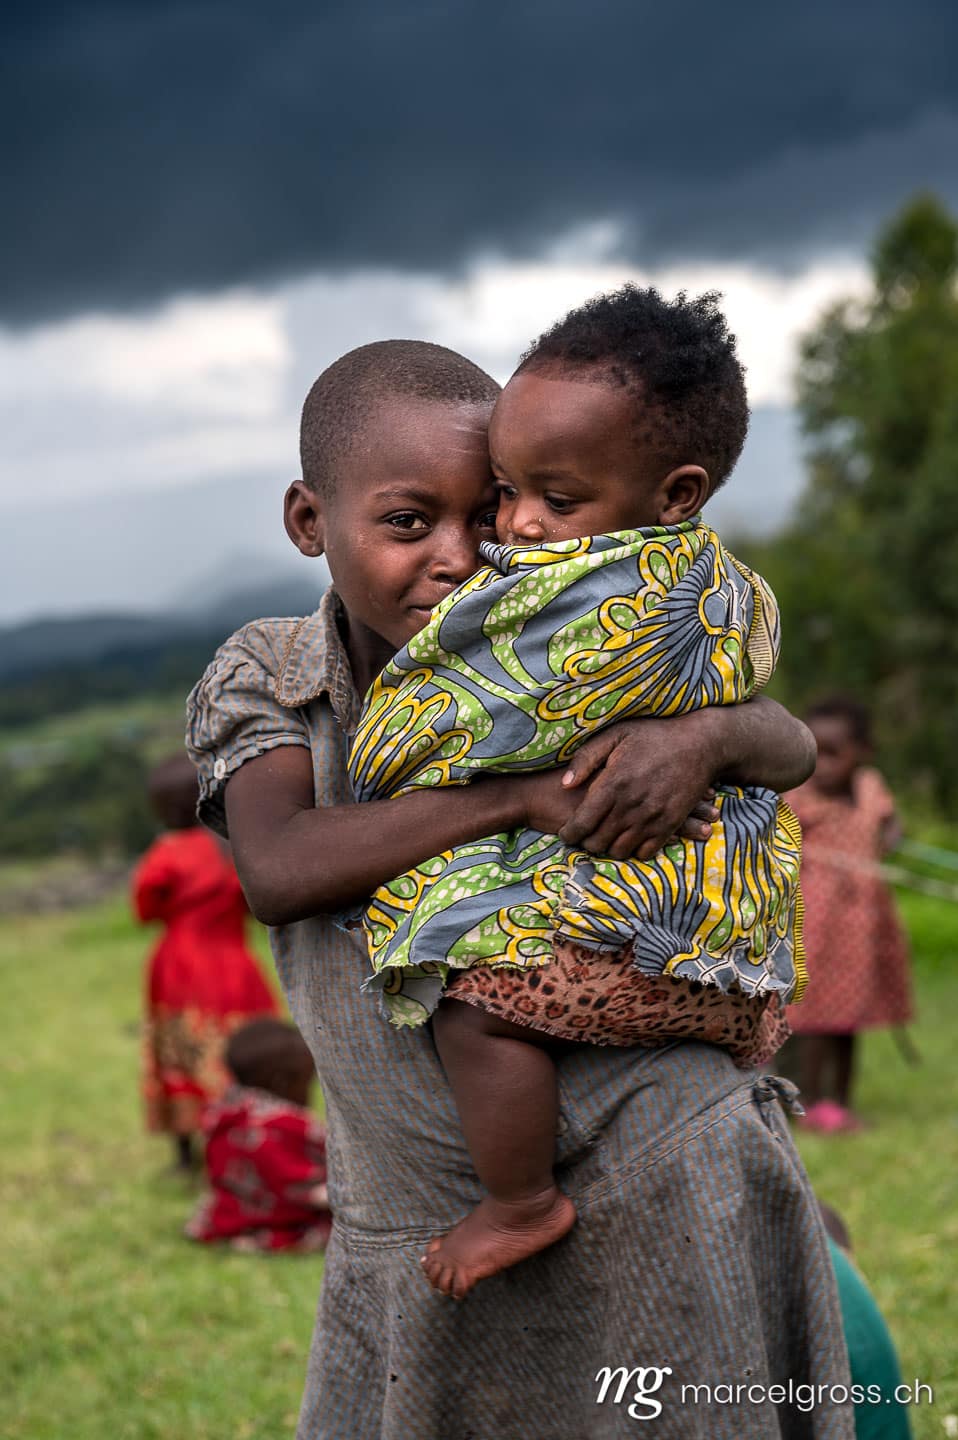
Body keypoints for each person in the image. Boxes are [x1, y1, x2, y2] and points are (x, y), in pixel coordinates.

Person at [186, 337, 853, 1438]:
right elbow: (279, 870)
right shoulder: (274, 676)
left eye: (486, 512)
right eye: (408, 523)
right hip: (419, 1217)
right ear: (311, 523)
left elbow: (787, 741)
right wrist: (516, 798)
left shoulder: (565, 623)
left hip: (661, 1163)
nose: (460, 556)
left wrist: (706, 737)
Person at [349, 287, 803, 1298]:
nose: (512, 527)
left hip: (619, 944)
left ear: (675, 493)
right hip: (741, 946)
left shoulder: (569, 604)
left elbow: (438, 717)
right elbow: (783, 730)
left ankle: (519, 1201)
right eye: (505, 490)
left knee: (463, 982)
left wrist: (379, 760)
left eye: (553, 500)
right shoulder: (729, 585)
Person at [132, 753, 278, 1170]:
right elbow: (253, 903)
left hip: (177, 967)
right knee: (240, 1049)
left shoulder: (165, 854)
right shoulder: (228, 849)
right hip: (234, 963)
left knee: (179, 1051)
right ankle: (251, 1140)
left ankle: (185, 1153)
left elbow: (144, 908)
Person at [786, 697, 913, 1133]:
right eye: (813, 753)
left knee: (848, 1019)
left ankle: (839, 1101)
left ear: (863, 752)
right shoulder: (797, 798)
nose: (822, 765)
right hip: (815, 931)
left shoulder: (870, 788)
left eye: (834, 753)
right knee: (814, 1016)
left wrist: (891, 834)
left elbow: (890, 819)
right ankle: (807, 1101)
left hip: (862, 930)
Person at [186, 1018, 331, 1253]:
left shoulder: (224, 1111)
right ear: (282, 1082)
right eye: (306, 1081)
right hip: (273, 1218)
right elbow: (304, 1184)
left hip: (229, 1214)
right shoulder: (282, 1125)